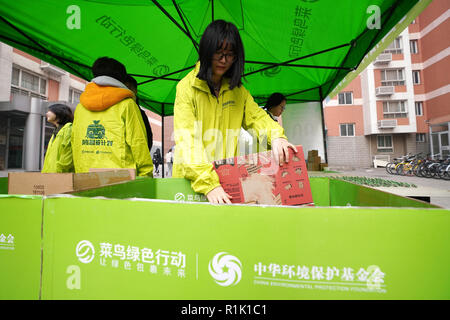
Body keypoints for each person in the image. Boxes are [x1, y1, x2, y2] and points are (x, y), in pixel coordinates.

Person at [173, 20, 298, 204]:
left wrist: (277, 137)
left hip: (225, 182)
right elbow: (187, 141)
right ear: (207, 51)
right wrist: (209, 185)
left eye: (230, 55)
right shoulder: (186, 88)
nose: (224, 60)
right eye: (219, 53)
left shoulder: (238, 91)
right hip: (191, 184)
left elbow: (257, 117)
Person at [71, 57, 153, 176]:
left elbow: (75, 143)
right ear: (122, 78)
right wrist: (146, 176)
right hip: (120, 181)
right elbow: (138, 143)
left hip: (85, 177)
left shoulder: (80, 108)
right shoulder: (127, 105)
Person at [124, 74, 153, 155]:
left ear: (135, 91)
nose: (126, 91)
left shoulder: (140, 113)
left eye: (129, 88)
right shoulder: (115, 109)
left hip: (134, 162)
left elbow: (148, 138)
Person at [42, 104, 74, 173]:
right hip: (50, 176)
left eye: (50, 111)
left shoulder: (69, 129)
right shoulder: (56, 132)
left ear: (59, 112)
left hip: (60, 176)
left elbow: (67, 155)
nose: (47, 113)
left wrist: (59, 173)